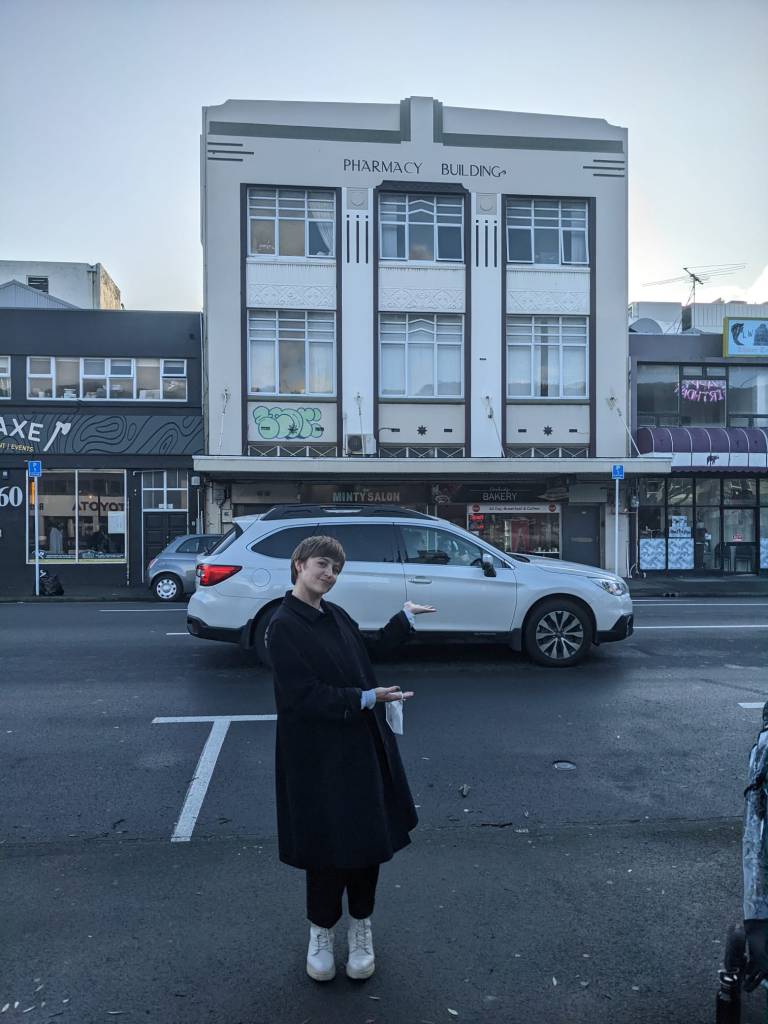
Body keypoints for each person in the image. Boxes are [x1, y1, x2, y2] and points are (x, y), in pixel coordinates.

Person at [266, 535, 435, 983]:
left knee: (365, 845)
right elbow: (300, 697)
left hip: (360, 751)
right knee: (326, 850)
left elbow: (368, 654)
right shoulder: (284, 625)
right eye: (322, 564)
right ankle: (320, 934)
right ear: (299, 565)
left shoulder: (334, 615)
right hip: (317, 760)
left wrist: (403, 619)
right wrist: (365, 698)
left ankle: (361, 929)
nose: (329, 574)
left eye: (336, 569)